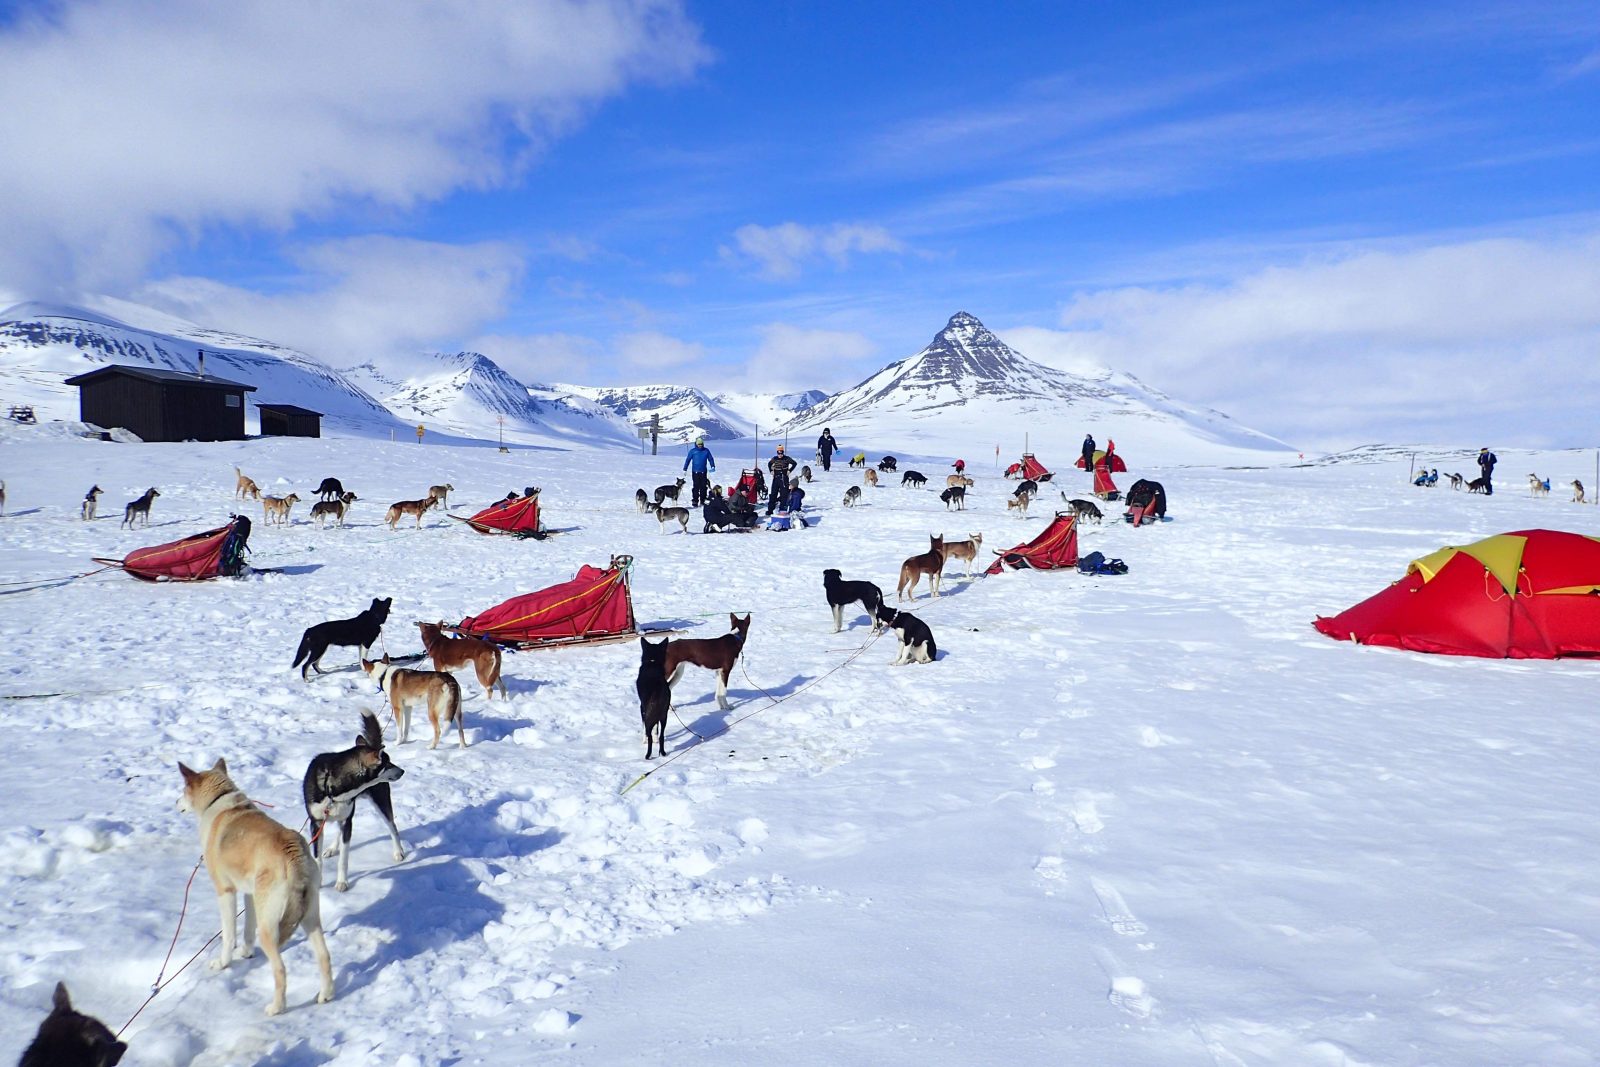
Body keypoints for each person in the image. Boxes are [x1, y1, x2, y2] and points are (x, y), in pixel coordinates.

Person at [682, 437, 716, 507]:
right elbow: (688, 460)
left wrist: (712, 466)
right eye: (699, 444)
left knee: (703, 486)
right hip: (695, 472)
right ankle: (695, 500)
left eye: (701, 444)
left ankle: (702, 500)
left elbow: (710, 459)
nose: (700, 445)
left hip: (703, 472)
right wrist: (685, 469)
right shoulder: (692, 451)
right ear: (696, 444)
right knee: (696, 486)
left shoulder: (706, 451)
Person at [766, 444, 798, 515]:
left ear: (783, 452)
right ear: (777, 452)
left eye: (781, 453)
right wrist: (771, 470)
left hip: (784, 478)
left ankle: (782, 509)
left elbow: (794, 463)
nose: (780, 454)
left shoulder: (787, 458)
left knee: (784, 494)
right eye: (779, 453)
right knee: (773, 494)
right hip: (776, 478)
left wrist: (789, 470)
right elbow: (769, 464)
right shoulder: (774, 458)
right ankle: (770, 509)